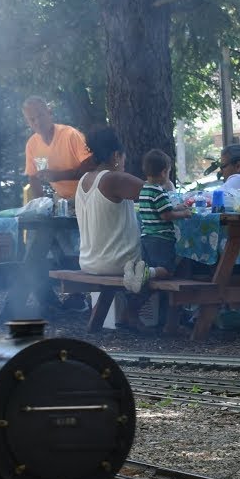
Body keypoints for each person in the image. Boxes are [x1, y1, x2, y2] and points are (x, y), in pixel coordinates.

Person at [74, 128, 167, 329]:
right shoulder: (113, 179)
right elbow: (157, 193)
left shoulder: (84, 180)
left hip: (89, 261)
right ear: (116, 155)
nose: (124, 163)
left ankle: (129, 314)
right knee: (172, 260)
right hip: (118, 263)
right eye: (123, 157)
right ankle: (143, 314)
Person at [22, 96, 96, 201]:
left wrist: (59, 175)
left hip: (89, 196)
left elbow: (91, 167)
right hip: (62, 199)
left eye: (40, 116)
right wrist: (41, 204)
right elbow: (33, 177)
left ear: (50, 113)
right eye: (32, 119)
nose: (37, 122)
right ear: (27, 122)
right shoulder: (32, 144)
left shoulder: (70, 134)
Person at [135, 149, 191, 277]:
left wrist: (177, 208)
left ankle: (141, 273)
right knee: (167, 270)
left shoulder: (145, 190)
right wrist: (184, 214)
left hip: (147, 237)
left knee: (153, 268)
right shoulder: (158, 192)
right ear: (164, 172)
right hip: (161, 238)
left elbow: (160, 208)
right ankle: (145, 272)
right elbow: (166, 215)